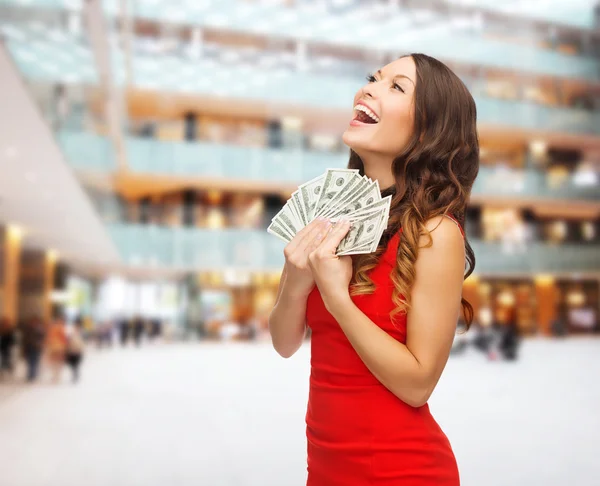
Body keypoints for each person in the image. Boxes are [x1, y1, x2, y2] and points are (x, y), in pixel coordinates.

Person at [268, 53, 479, 485]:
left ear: (427, 129)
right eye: (372, 79)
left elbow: (418, 384)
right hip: (327, 469)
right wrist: (294, 280)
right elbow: (284, 342)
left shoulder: (436, 233)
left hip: (401, 470)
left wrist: (337, 299)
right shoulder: (332, 217)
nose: (368, 89)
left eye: (396, 87)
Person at [21, 316, 46, 382]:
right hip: (29, 346)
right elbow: (25, 339)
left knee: (35, 361)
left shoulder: (40, 329)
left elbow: (42, 338)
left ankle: (33, 374)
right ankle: (30, 374)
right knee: (30, 361)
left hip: (36, 347)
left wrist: (41, 344)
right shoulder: (27, 329)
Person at [46, 317, 68, 383]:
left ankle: (55, 376)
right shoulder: (60, 329)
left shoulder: (53, 329)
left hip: (55, 347)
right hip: (58, 348)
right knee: (57, 363)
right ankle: (56, 376)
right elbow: (64, 339)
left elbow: (49, 339)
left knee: (55, 363)